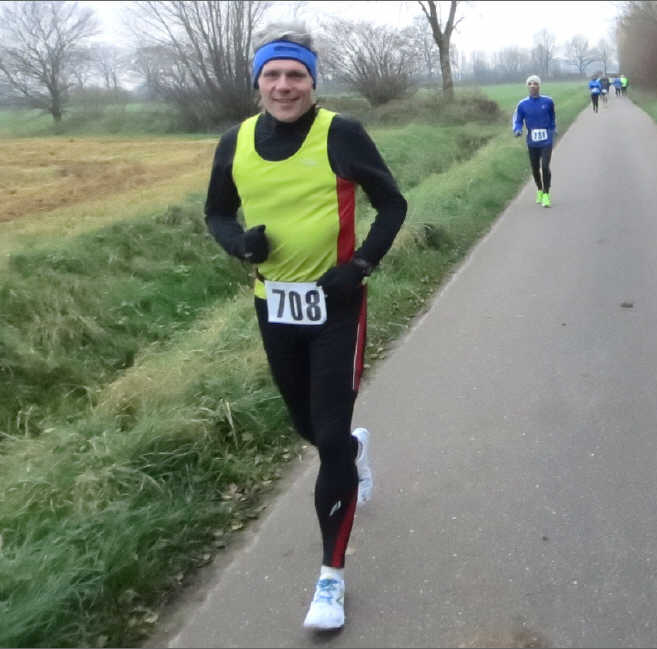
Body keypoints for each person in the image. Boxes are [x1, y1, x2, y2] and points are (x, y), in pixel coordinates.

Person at [204, 23, 407, 629]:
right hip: (275, 307)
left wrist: (360, 266)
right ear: (258, 82)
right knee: (310, 429)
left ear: (312, 82)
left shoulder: (341, 133)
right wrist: (239, 244)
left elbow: (392, 203)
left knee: (328, 432)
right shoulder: (236, 141)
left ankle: (330, 577)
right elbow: (217, 212)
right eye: (272, 74)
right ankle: (352, 450)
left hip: (337, 309)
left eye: (296, 74)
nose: (284, 85)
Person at [513, 75, 557, 208]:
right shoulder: (522, 104)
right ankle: (539, 189)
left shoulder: (548, 101)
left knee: (545, 166)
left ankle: (546, 194)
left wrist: (552, 129)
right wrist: (518, 129)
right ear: (527, 86)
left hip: (546, 140)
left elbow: (552, 117)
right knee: (535, 168)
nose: (533, 86)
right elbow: (518, 120)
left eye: (535, 83)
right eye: (530, 84)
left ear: (539, 86)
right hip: (532, 141)